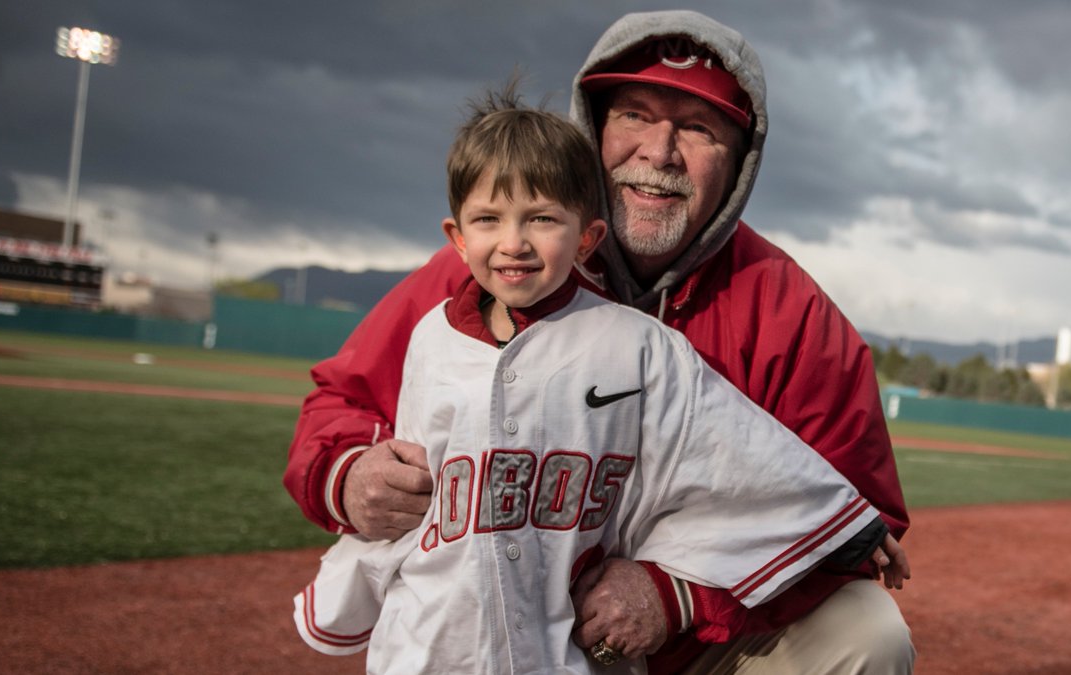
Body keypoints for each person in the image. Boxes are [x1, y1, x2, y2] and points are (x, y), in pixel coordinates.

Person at [285, 9, 913, 674]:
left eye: (697, 128)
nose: (659, 152)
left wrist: (677, 595)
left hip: (710, 631)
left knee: (869, 633)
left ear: (740, 161)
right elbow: (338, 404)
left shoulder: (793, 312)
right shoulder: (498, 274)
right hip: (519, 615)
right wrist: (349, 475)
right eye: (635, 116)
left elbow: (850, 513)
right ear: (595, 128)